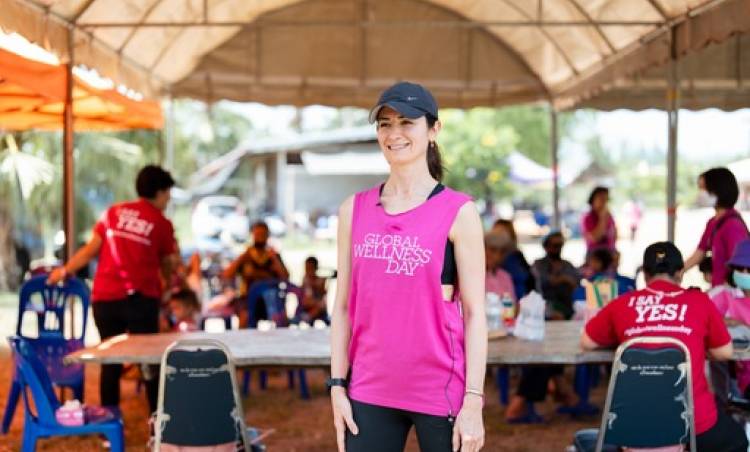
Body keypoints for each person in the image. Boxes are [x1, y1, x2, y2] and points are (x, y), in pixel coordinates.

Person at [330, 81, 486, 452]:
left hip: (439, 390)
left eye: (407, 122)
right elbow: (342, 307)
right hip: (368, 390)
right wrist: (337, 386)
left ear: (433, 130)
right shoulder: (354, 209)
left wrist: (473, 400)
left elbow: (475, 313)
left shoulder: (459, 211)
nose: (394, 133)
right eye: (385, 124)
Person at [581, 242, 748, 452]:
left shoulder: (622, 303)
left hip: (633, 423)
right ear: (680, 273)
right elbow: (725, 352)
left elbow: (587, 341)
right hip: (691, 423)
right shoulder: (700, 301)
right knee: (737, 441)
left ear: (645, 274)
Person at [47, 165, 179, 413]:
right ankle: (158, 423)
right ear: (160, 192)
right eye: (168, 193)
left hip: (105, 299)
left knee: (110, 363)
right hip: (141, 301)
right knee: (149, 364)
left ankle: (109, 421)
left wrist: (64, 271)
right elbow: (167, 263)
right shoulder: (161, 223)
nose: (169, 198)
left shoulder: (113, 213)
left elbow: (90, 250)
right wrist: (167, 285)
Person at [684, 168, 749, 288]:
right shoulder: (713, 222)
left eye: (703, 188)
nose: (700, 193)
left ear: (718, 190)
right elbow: (700, 252)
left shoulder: (732, 226)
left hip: (729, 292)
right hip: (718, 289)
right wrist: (677, 272)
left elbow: (740, 266)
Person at [223, 221, 289, 325]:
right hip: (247, 298)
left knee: (281, 316)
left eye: (263, 234)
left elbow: (286, 277)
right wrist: (241, 258)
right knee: (245, 316)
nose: (260, 237)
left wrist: (275, 259)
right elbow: (227, 275)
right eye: (258, 234)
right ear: (253, 235)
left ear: (267, 235)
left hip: (269, 298)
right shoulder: (246, 256)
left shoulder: (273, 255)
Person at [710, 239, 750, 398]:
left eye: (749, 269)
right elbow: (699, 318)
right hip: (737, 376)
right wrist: (726, 322)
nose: (744, 273)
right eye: (740, 268)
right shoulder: (723, 294)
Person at [532, 231, 580, 320]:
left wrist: (562, 279)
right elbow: (545, 282)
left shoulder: (567, 265)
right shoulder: (539, 264)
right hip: (545, 307)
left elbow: (576, 283)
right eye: (555, 245)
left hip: (567, 307)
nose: (558, 249)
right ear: (546, 246)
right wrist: (564, 279)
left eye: (560, 245)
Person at [492, 219, 535, 300]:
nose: (500, 237)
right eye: (497, 233)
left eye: (503, 233)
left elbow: (529, 279)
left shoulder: (517, 255)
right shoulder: (491, 261)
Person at [582, 186, 617, 255]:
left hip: (609, 252)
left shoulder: (609, 216)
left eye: (606, 199)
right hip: (595, 254)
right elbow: (595, 238)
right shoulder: (588, 217)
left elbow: (614, 236)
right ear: (593, 199)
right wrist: (602, 218)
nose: (604, 202)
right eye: (601, 199)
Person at [294, 256, 329, 324]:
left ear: (316, 268)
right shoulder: (305, 279)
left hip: (317, 305)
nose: (308, 270)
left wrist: (314, 285)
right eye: (306, 268)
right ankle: (307, 316)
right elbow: (302, 294)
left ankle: (308, 316)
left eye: (310, 268)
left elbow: (323, 293)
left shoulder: (321, 280)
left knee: (320, 305)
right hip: (307, 304)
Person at [484, 230, 515, 304]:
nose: (496, 256)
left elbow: (510, 305)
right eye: (492, 249)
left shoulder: (505, 276)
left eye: (501, 252)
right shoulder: (474, 275)